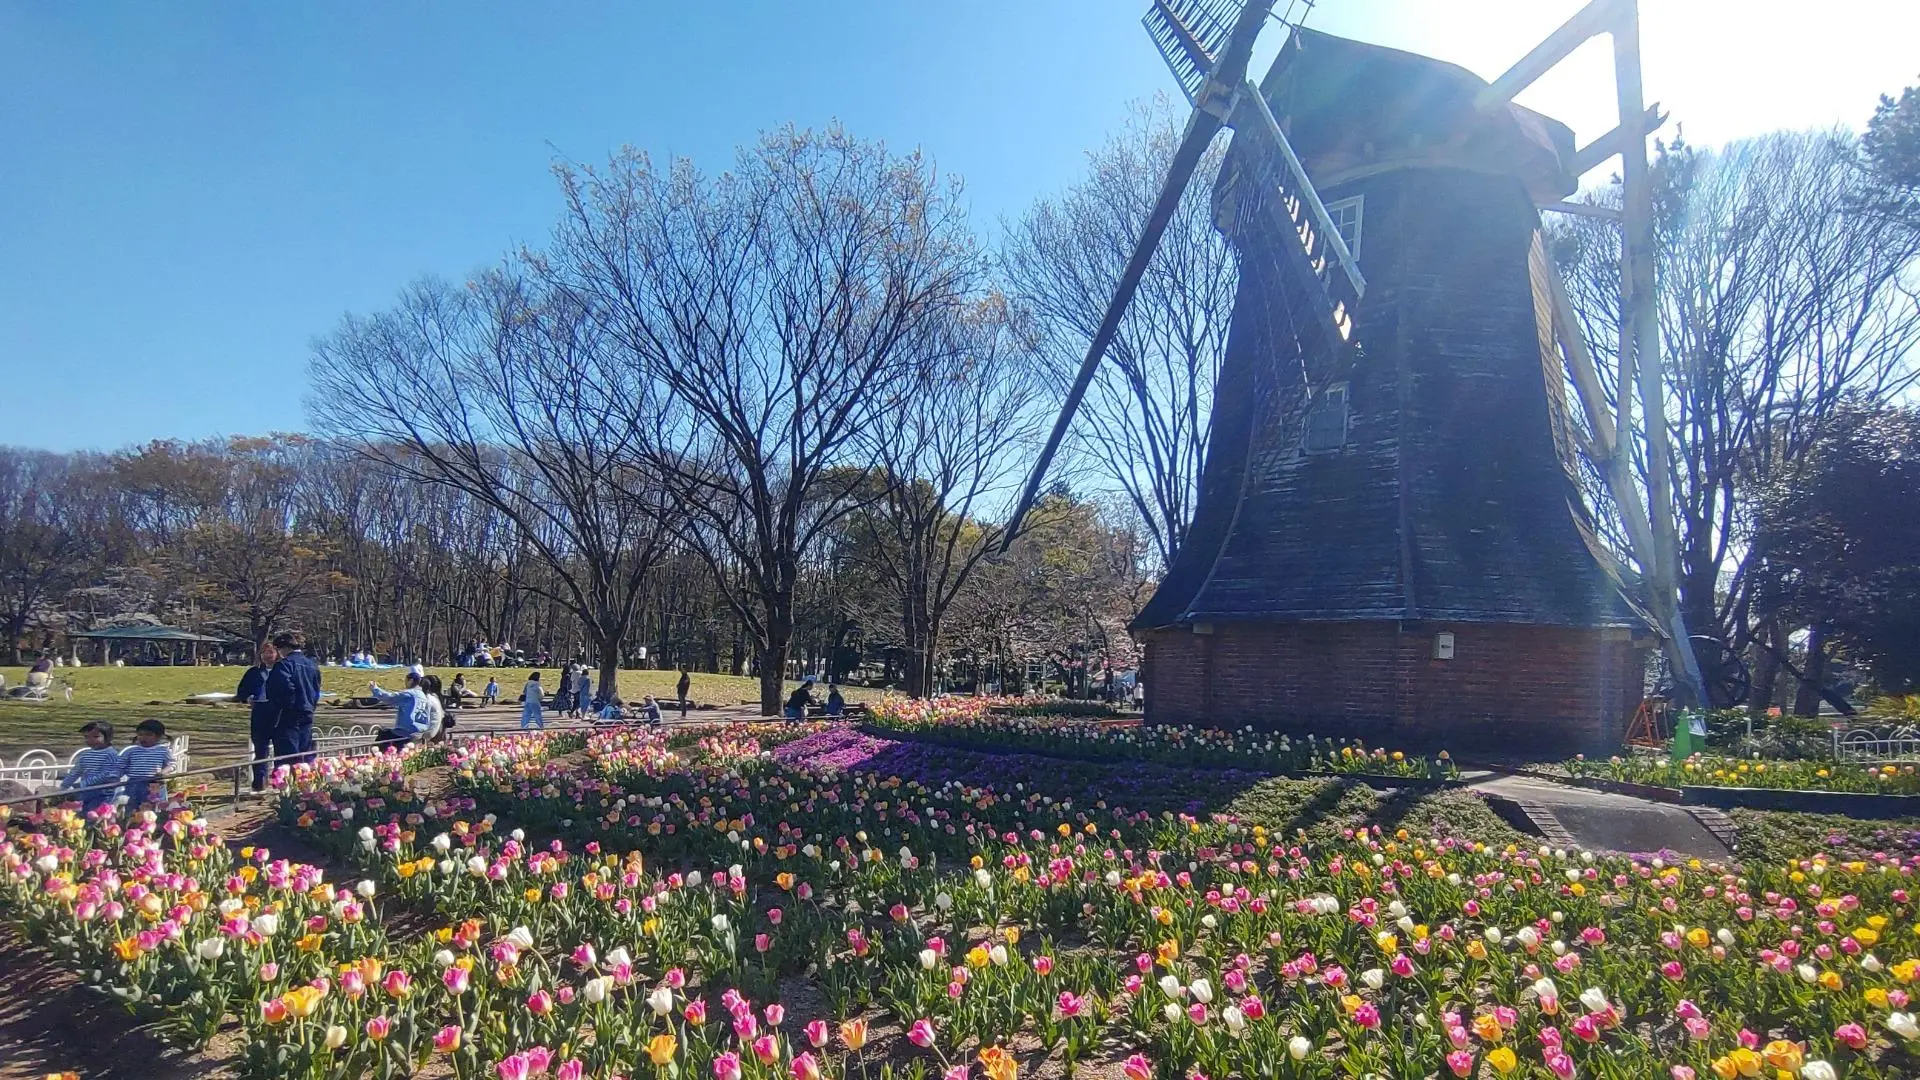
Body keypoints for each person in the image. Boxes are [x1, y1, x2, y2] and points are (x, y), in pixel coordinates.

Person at [266, 630, 322, 765]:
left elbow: (279, 688)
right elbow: (316, 689)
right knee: (305, 755)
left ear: (283, 648)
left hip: (289, 715)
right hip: (307, 711)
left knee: (287, 757)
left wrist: (282, 706)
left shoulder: (285, 665)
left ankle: (288, 782)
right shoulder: (311, 665)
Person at [237, 641, 279, 791]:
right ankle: (259, 783)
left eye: (271, 652)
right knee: (261, 749)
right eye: (264, 653)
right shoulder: (254, 672)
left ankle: (278, 782)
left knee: (279, 748)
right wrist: (247, 697)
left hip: (277, 710)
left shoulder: (281, 671)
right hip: (259, 710)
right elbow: (241, 691)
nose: (267, 656)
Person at [60, 721, 123, 813]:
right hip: (87, 791)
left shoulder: (111, 754)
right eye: (86, 737)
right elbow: (76, 771)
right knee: (85, 813)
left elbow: (109, 775)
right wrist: (64, 786)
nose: (90, 740)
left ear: (108, 738)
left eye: (95, 737)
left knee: (98, 816)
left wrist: (86, 783)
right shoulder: (86, 755)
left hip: (104, 793)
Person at [367, 673, 431, 751]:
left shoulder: (409, 694)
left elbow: (389, 698)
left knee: (383, 736)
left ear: (410, 681)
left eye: (406, 680)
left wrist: (375, 689)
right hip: (420, 730)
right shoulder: (423, 695)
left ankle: (377, 758)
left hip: (406, 731)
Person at [121, 719, 174, 809]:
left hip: (153, 783)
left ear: (158, 737)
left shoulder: (162, 750)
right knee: (132, 807)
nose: (143, 738)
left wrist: (163, 772)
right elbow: (121, 764)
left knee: (153, 807)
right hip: (134, 783)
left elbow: (172, 764)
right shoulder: (131, 750)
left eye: (149, 735)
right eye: (140, 734)